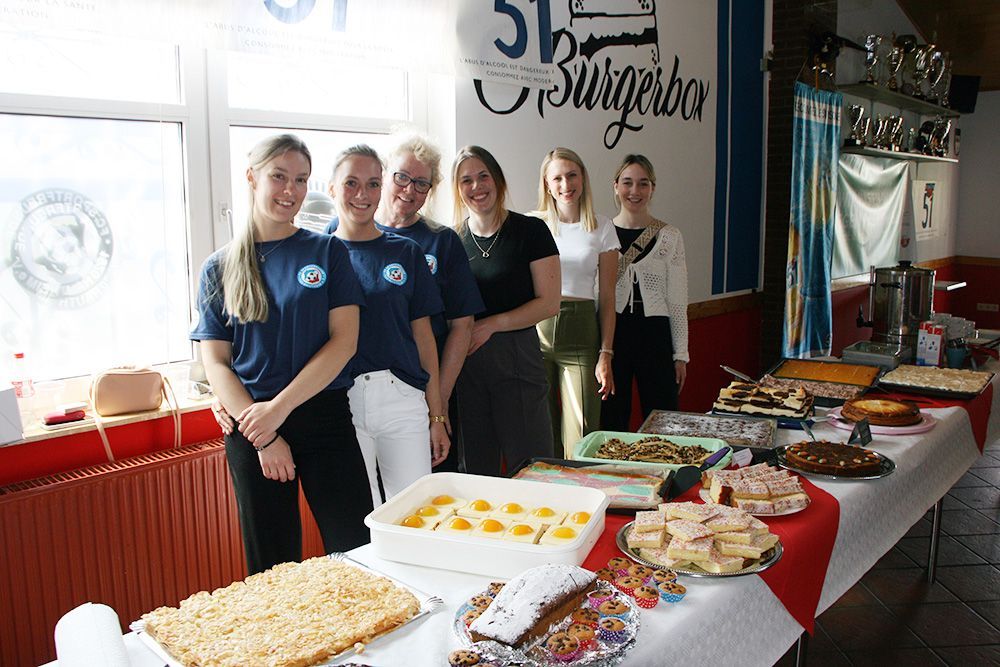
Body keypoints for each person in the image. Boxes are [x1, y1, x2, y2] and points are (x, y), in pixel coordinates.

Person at [192, 134, 371, 575]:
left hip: (322, 415)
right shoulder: (218, 267)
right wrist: (265, 434)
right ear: (252, 177)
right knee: (272, 567)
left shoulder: (327, 251)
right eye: (279, 176)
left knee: (357, 552)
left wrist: (279, 410)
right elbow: (215, 362)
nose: (291, 190)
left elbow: (344, 342)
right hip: (251, 425)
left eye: (301, 179)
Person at [328, 144, 448, 506]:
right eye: (351, 183)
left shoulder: (406, 252)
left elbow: (424, 338)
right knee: (362, 513)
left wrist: (437, 415)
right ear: (332, 188)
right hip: (342, 398)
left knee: (415, 511)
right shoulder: (319, 254)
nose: (362, 194)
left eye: (372, 184)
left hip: (402, 397)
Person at [368, 136, 484, 472]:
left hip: (425, 389)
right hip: (363, 394)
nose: (410, 190)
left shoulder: (441, 241)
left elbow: (462, 326)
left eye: (422, 183)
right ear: (384, 174)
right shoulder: (346, 232)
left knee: (430, 489)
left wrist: (439, 402)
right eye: (402, 177)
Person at [452, 145, 561, 476]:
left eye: (483, 176)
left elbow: (549, 302)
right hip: (466, 362)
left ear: (497, 180)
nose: (476, 186)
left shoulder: (531, 231)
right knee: (475, 467)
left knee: (532, 465)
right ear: (458, 189)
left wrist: (493, 324)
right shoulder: (453, 240)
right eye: (466, 180)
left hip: (517, 356)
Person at [531, 148, 619, 455]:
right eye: (557, 178)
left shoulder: (602, 226)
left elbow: (607, 297)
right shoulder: (532, 224)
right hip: (536, 332)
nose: (565, 184)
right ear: (546, 184)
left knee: (581, 434)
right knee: (539, 429)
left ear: (583, 178)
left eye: (572, 175)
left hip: (581, 334)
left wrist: (606, 353)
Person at [601, 154, 689, 432]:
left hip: (655, 334)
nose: (634, 191)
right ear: (616, 186)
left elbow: (678, 300)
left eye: (643, 183)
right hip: (614, 332)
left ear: (652, 188)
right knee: (612, 417)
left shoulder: (670, 236)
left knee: (663, 418)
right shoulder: (602, 233)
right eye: (627, 182)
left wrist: (680, 354)